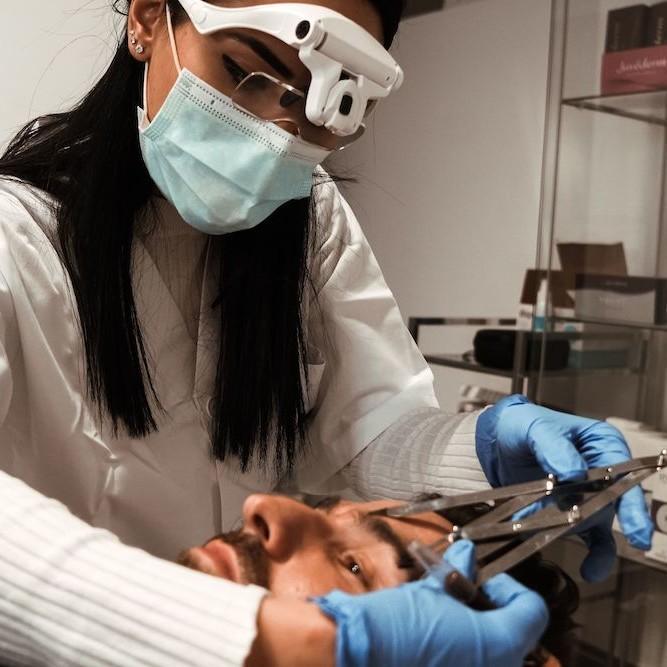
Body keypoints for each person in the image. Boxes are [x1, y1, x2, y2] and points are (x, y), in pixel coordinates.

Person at [0, 0, 653, 663]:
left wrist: (480, 453)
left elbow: (360, 427)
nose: (279, 133)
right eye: (244, 71)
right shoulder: (13, 241)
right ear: (145, 19)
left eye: (325, 106)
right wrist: (278, 639)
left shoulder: (305, 219)